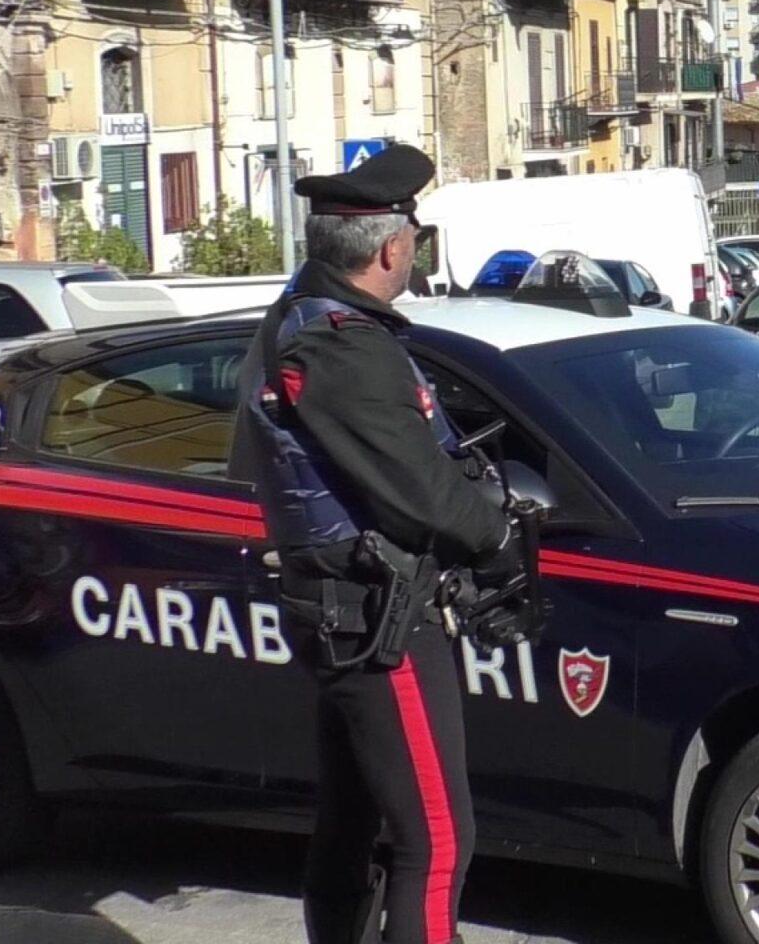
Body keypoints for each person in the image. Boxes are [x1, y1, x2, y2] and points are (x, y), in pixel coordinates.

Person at [229, 145, 522, 944]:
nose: (416, 250)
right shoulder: (340, 347)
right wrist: (496, 536)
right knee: (435, 838)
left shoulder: (302, 322)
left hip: (343, 610)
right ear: (392, 247)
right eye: (414, 237)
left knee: (354, 820)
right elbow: (420, 489)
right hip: (377, 621)